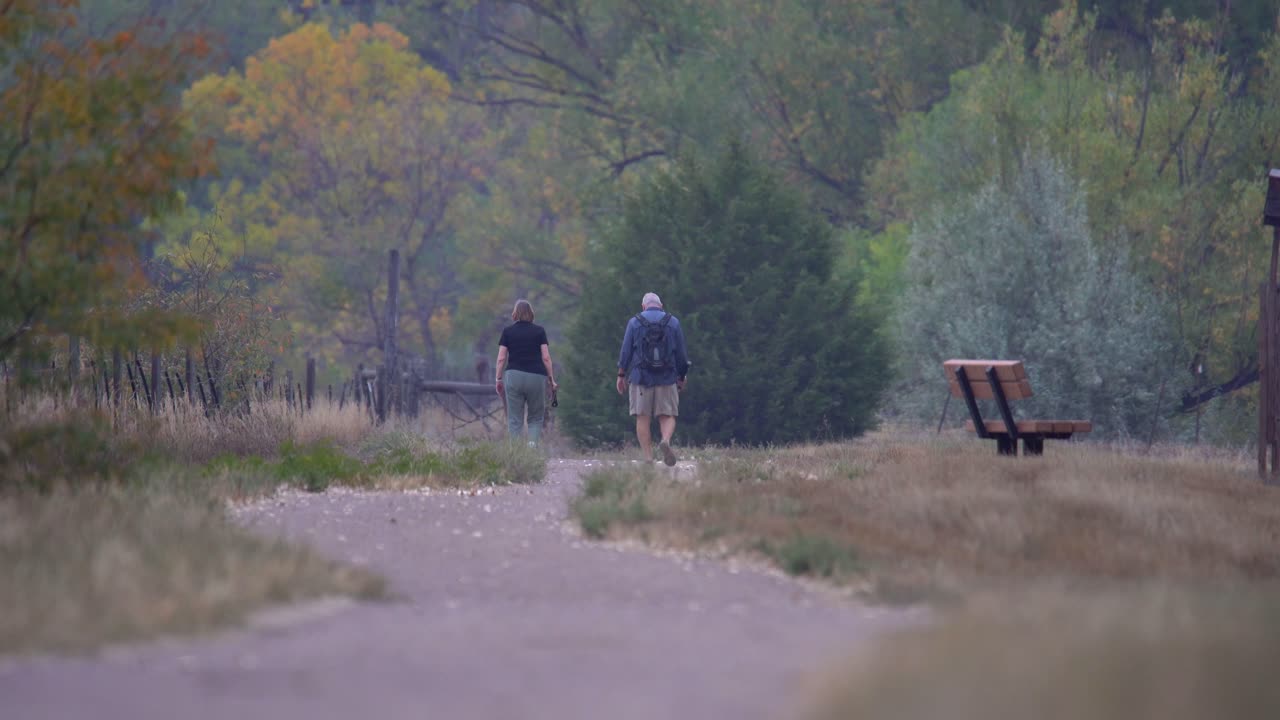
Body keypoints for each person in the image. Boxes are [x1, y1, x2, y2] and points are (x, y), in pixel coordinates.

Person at [616, 292, 689, 465]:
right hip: (667, 377)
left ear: (643, 306)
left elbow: (626, 352)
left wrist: (621, 375)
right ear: (661, 305)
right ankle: (665, 441)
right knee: (668, 415)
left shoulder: (634, 322)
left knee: (642, 417)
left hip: (641, 378)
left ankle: (648, 458)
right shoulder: (673, 322)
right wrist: (681, 376)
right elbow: (681, 354)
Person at [495, 299, 558, 446]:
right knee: (535, 417)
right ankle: (531, 448)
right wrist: (551, 379)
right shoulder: (539, 331)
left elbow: (501, 358)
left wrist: (498, 379)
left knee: (514, 418)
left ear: (515, 313)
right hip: (536, 377)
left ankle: (517, 452)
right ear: (531, 313)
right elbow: (546, 357)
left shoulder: (507, 332)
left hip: (514, 376)